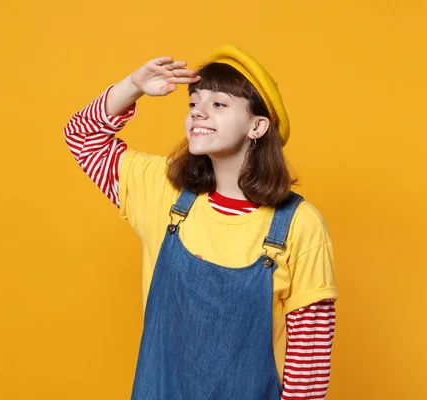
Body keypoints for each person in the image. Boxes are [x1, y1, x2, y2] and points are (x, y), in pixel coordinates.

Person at [64, 45, 337, 400]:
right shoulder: (161, 191)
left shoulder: (300, 225)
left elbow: (309, 366)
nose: (198, 113)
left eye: (218, 104)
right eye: (193, 103)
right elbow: (82, 137)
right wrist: (133, 85)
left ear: (257, 126)